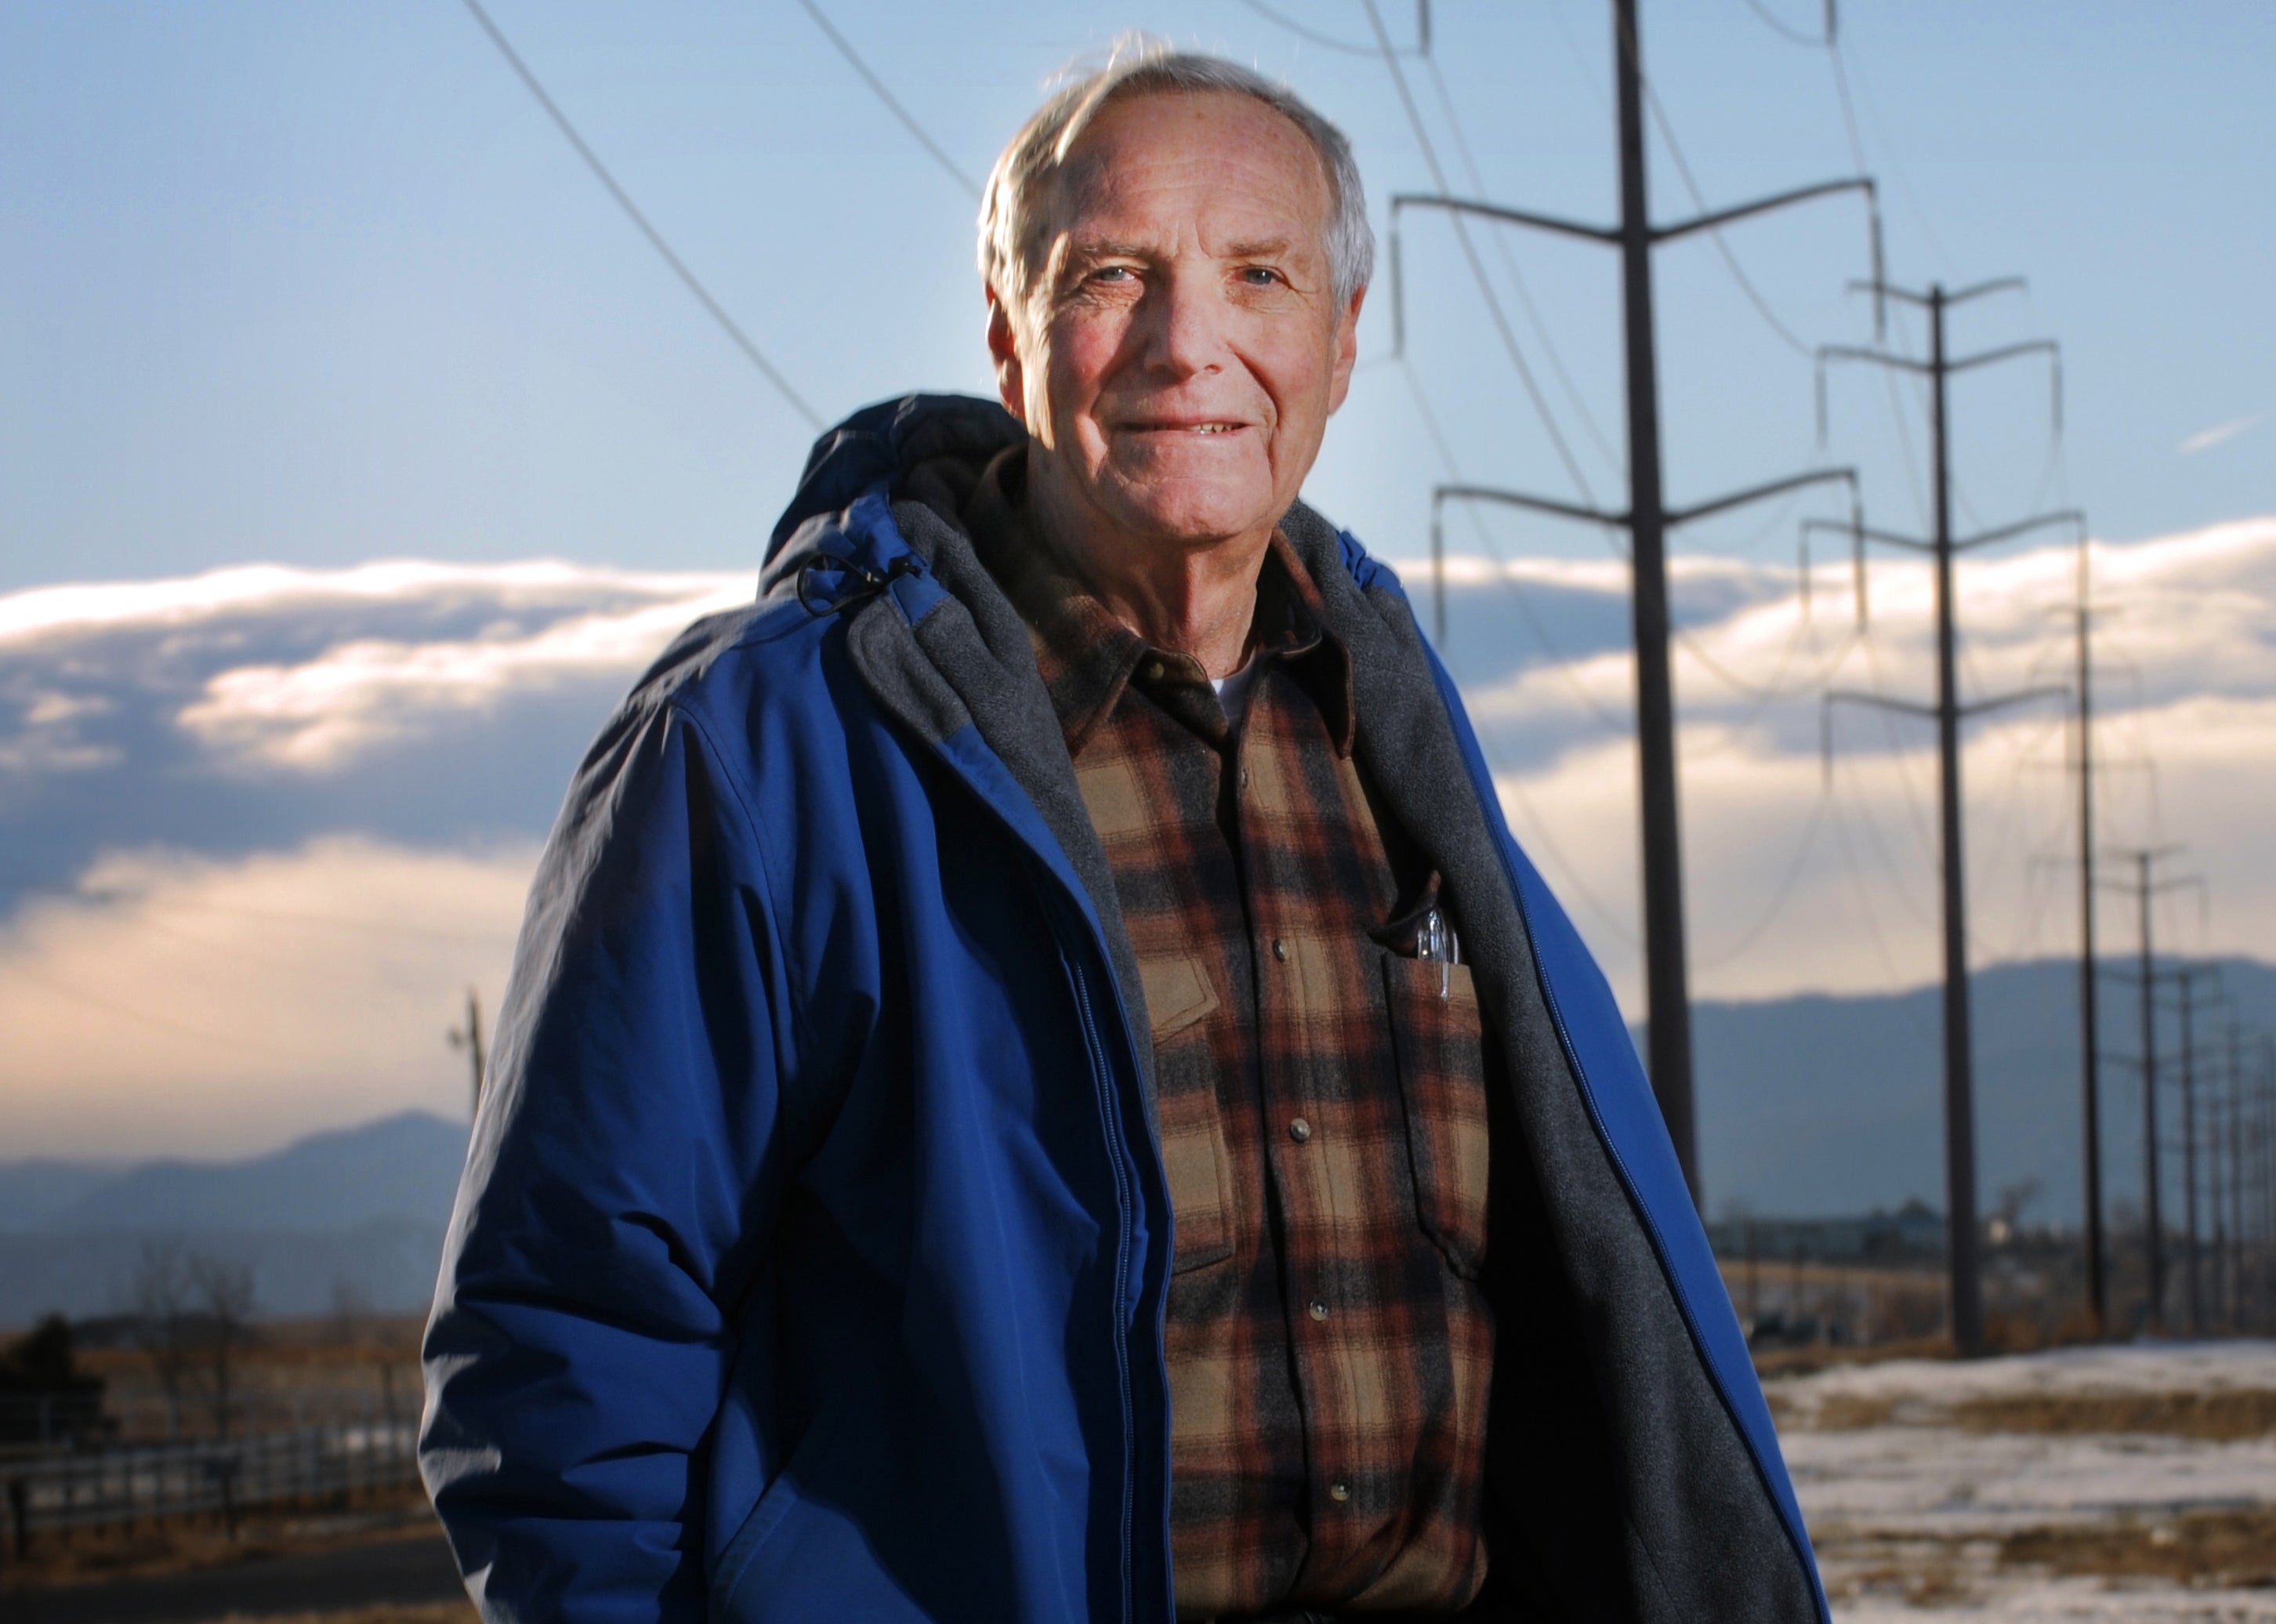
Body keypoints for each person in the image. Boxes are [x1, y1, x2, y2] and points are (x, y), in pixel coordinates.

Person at [419, 42, 1819, 1624]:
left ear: (1343, 342)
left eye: (1260, 274)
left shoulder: (1389, 724)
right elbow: (558, 1335)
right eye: (1112, 276)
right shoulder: (764, 750)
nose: (1187, 342)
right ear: (1011, 344)